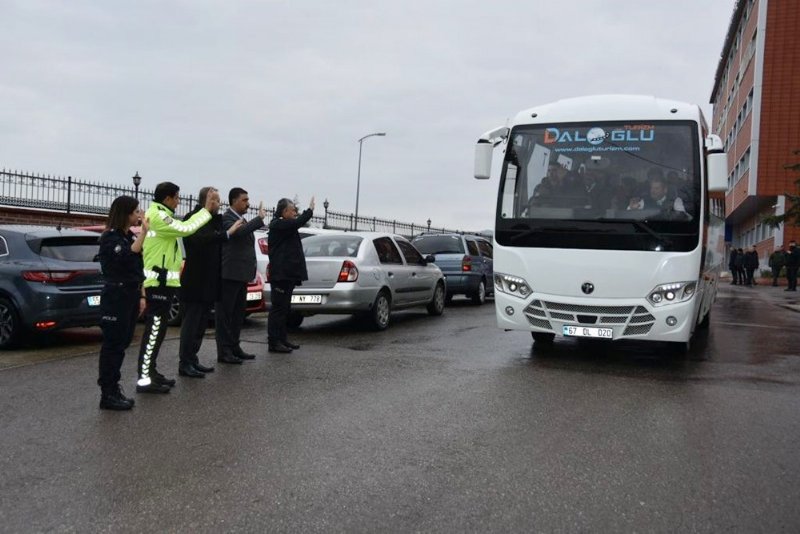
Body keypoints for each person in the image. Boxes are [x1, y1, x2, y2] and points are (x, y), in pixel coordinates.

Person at [136, 182, 217, 394]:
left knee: (159, 332)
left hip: (165, 283)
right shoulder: (158, 215)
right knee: (153, 332)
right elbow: (185, 228)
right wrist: (206, 210)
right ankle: (144, 379)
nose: (179, 201)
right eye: (177, 197)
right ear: (167, 199)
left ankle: (151, 372)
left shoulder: (161, 213)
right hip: (158, 284)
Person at [178, 187, 244, 378]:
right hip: (195, 279)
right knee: (191, 324)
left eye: (218, 200)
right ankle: (185, 362)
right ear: (206, 201)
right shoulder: (193, 218)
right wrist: (226, 233)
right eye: (215, 200)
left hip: (210, 280)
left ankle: (193, 359)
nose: (219, 204)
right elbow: (200, 239)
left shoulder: (214, 219)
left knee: (201, 324)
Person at [96, 196, 147, 410]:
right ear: (125, 213)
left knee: (123, 342)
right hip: (115, 297)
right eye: (136, 211)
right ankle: (108, 393)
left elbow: (137, 267)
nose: (140, 214)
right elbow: (126, 256)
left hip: (130, 296)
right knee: (113, 345)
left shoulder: (127, 236)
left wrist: (142, 295)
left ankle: (113, 388)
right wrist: (144, 232)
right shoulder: (110, 238)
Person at [217, 188, 268, 364]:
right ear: (234, 201)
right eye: (245, 200)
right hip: (230, 274)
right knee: (226, 314)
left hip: (241, 274)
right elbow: (239, 233)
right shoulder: (227, 219)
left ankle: (234, 346)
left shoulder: (240, 219)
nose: (248, 203)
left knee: (238, 313)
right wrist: (259, 219)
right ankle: (224, 351)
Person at [267, 197, 315, 353]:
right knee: (278, 309)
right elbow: (297, 222)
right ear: (284, 211)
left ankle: (282, 339)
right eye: (293, 210)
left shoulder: (287, 226)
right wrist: (309, 211)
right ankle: (274, 342)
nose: (295, 212)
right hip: (280, 275)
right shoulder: (278, 224)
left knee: (285, 309)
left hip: (288, 275)